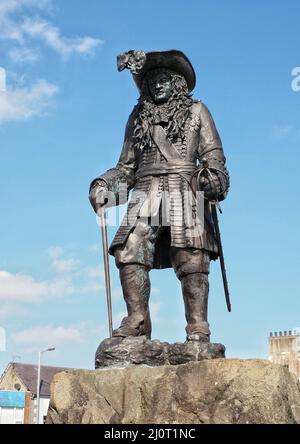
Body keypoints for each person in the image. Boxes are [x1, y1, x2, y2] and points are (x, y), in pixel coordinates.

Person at [89, 50, 229, 342]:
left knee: (191, 254)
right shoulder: (138, 117)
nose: (157, 85)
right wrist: (104, 186)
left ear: (177, 82)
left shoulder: (197, 111)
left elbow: (213, 157)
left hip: (185, 188)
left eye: (163, 79)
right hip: (145, 190)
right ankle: (138, 321)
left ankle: (197, 325)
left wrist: (214, 179)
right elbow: (126, 168)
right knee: (129, 250)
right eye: (152, 81)